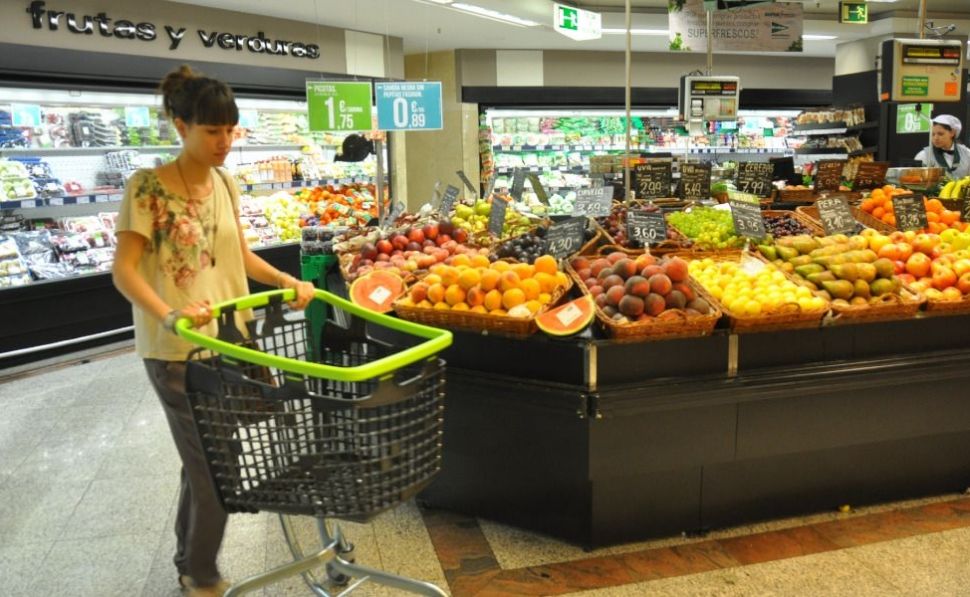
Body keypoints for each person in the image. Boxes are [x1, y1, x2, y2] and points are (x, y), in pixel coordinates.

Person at [112, 65, 314, 597]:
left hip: (231, 340)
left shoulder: (225, 181)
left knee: (209, 456)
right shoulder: (148, 187)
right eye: (212, 131)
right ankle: (200, 574)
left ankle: (187, 555)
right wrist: (169, 314)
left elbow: (238, 253)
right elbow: (125, 270)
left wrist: (287, 279)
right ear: (180, 126)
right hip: (177, 349)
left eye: (231, 130)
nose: (224, 142)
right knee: (216, 471)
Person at [915, 114, 970, 179]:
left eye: (940, 134)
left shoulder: (967, 153)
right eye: (933, 134)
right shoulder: (923, 156)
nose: (935, 138)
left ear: (952, 133)